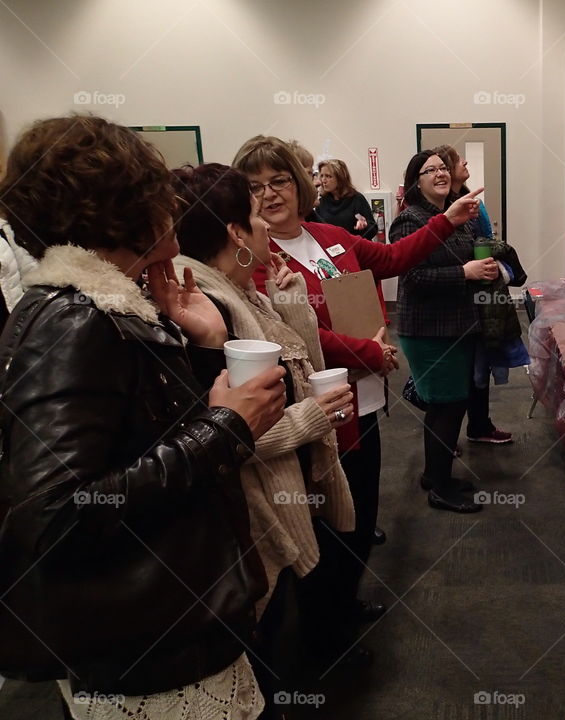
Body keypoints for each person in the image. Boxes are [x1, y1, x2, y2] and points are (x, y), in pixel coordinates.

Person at [0, 115, 287, 719]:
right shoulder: (75, 319)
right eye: (159, 193)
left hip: (165, 617)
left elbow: (144, 435)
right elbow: (55, 518)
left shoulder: (110, 303)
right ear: (120, 208)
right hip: (144, 645)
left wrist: (205, 345)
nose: (174, 207)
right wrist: (224, 428)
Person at [232, 135, 482, 653]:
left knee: (362, 514)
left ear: (299, 184)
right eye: (255, 186)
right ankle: (324, 627)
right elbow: (292, 335)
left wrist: (447, 220)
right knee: (326, 522)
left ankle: (343, 601)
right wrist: (369, 354)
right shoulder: (254, 255)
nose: (269, 194)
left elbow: (391, 259)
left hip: (362, 402)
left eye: (278, 180)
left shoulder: (328, 234)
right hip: (317, 410)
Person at [171, 163, 357, 706]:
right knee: (269, 642)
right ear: (234, 232)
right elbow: (244, 429)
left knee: (282, 631)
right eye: (254, 213)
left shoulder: (236, 290)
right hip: (255, 511)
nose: (265, 224)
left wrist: (293, 301)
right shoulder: (212, 303)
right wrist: (314, 417)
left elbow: (299, 366)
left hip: (275, 493)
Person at [390, 150, 500, 513]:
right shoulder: (410, 220)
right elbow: (414, 277)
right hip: (427, 329)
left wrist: (485, 264)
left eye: (442, 168)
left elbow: (470, 253)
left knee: (449, 404)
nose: (439, 173)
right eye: (429, 170)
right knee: (446, 405)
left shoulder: (457, 212)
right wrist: (464, 273)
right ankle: (440, 488)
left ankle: (433, 474)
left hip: (457, 323)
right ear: (416, 180)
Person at [434, 144, 525, 445]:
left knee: (478, 363)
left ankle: (478, 426)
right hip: (452, 297)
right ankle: (446, 442)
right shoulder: (438, 208)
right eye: (458, 160)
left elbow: (486, 240)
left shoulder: (472, 202)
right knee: (457, 371)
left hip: (478, 294)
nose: (464, 162)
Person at [315, 158, 378, 240]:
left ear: (340, 178)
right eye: (322, 176)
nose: (323, 180)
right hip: (331, 249)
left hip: (354, 248)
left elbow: (373, 229)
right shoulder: (322, 202)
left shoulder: (357, 199)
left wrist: (364, 226)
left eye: (328, 176)